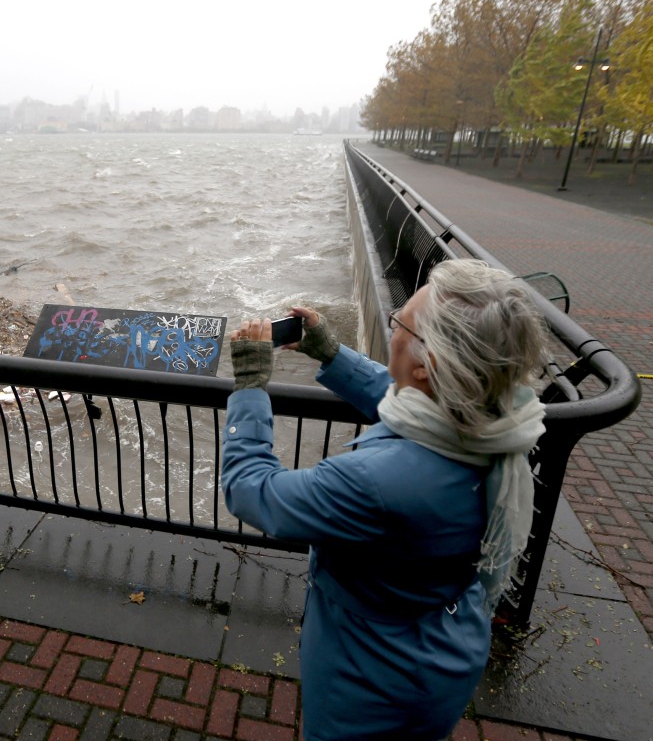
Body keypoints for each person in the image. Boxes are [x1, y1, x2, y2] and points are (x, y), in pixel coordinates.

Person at [222, 258, 547, 741]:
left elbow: (252, 491)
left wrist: (250, 388)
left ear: (427, 364)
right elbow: (415, 400)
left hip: (370, 671)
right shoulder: (496, 423)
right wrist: (331, 353)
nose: (391, 329)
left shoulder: (375, 482)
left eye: (399, 323)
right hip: (445, 641)